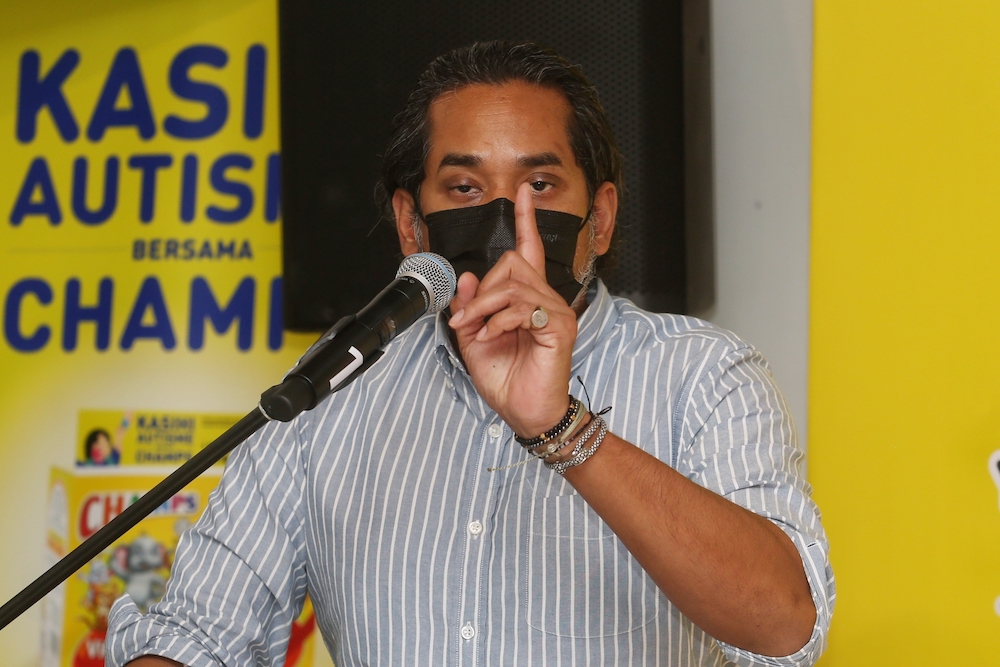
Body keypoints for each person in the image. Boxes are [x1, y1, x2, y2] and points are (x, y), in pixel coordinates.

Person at [107, 41, 834, 666]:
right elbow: (201, 632)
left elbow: (784, 625)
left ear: (601, 219)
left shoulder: (704, 376)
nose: (507, 221)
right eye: (464, 186)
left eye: (540, 184)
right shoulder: (338, 380)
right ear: (410, 226)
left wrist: (562, 428)